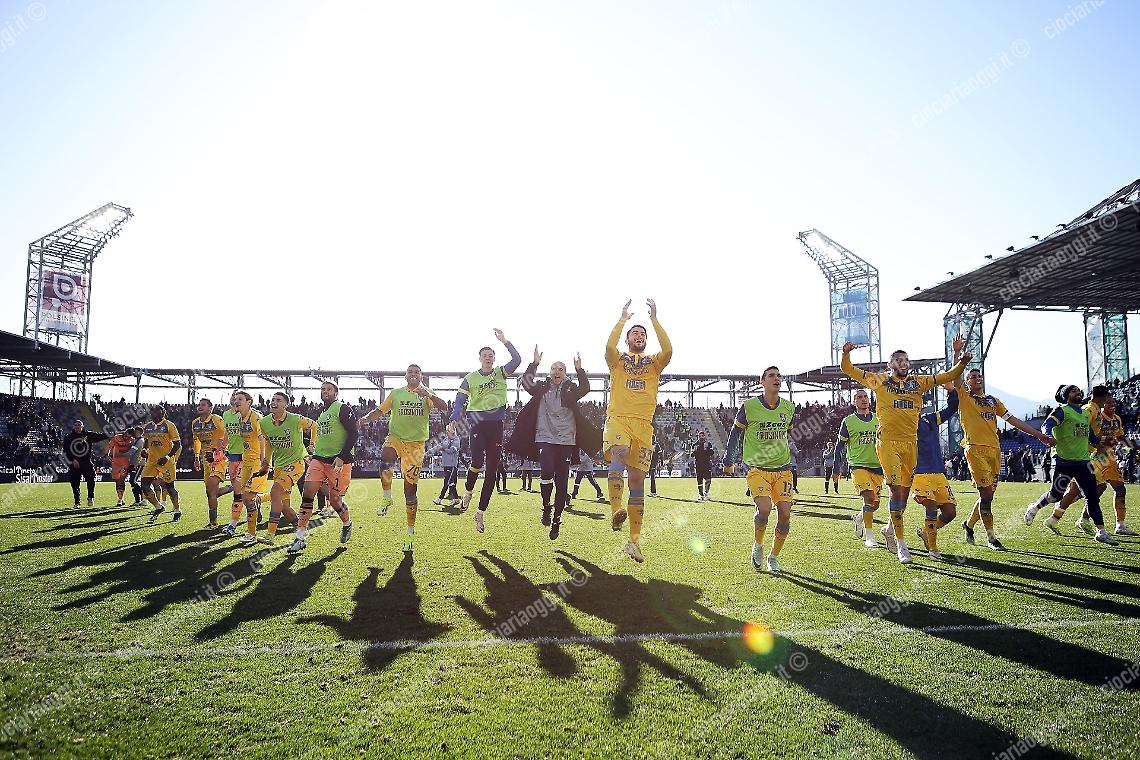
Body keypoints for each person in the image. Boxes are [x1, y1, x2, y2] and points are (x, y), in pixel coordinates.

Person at [841, 338, 970, 551]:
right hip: (888, 443)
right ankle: (901, 544)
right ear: (890, 364)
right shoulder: (880, 380)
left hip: (910, 445)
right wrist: (846, 353)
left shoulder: (919, 383)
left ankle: (889, 530)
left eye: (906, 360)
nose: (903, 362)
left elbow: (948, 376)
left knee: (902, 495)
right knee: (894, 491)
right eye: (898, 360)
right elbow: (848, 369)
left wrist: (962, 361)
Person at [603, 299, 672, 563]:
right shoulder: (617, 360)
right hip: (619, 419)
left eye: (642, 334)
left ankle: (634, 542)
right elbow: (609, 347)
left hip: (644, 425)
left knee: (637, 482)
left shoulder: (654, 362)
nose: (639, 336)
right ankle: (615, 509)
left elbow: (669, 349)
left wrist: (654, 319)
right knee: (619, 452)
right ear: (628, 339)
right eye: (635, 333)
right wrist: (622, 320)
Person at [506, 348, 600, 540]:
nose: (557, 371)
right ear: (550, 373)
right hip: (544, 437)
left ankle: (557, 520)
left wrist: (580, 370)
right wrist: (534, 364)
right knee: (547, 470)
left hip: (566, 439)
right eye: (554, 369)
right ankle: (546, 506)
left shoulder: (571, 389)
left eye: (561, 369)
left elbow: (585, 388)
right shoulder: (541, 387)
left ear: (565, 374)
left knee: (562, 481)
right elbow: (526, 382)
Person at [954, 365, 1052, 550]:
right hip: (975, 450)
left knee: (988, 496)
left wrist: (1038, 435)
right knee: (985, 496)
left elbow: (1013, 420)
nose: (977, 378)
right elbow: (955, 377)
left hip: (994, 451)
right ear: (967, 382)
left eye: (979, 375)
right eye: (973, 376)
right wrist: (958, 355)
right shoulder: (964, 397)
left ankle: (969, 525)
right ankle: (991, 539)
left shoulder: (993, 401)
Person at [362, 364, 447, 552]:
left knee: (410, 492)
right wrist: (366, 418)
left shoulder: (427, 394)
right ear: (405, 376)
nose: (413, 374)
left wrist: (429, 395)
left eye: (417, 372)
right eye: (410, 372)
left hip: (416, 446)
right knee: (386, 456)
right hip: (396, 438)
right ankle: (387, 496)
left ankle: (410, 532)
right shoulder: (396, 393)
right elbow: (379, 411)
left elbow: (445, 407)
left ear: (421, 376)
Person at [447, 329, 522, 534]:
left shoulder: (501, 373)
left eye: (490, 355)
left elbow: (517, 360)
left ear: (494, 359)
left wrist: (505, 341)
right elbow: (460, 401)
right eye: (485, 355)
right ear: (480, 358)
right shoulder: (470, 378)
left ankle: (480, 513)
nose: (488, 358)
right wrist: (453, 419)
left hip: (496, 426)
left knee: (492, 471)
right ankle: (468, 493)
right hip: (477, 424)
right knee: (477, 462)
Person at [722, 366, 795, 573]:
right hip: (757, 469)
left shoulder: (789, 408)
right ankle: (758, 544)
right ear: (762, 381)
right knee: (764, 509)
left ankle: (773, 557)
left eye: (779, 375)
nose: (776, 378)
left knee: (785, 515)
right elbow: (735, 434)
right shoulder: (749, 406)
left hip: (783, 469)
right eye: (771, 375)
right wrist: (729, 460)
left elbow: (787, 435)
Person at [1024, 384, 1117, 546]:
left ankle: (1101, 532)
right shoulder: (1062, 410)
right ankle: (1035, 507)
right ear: (1066, 395)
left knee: (1092, 497)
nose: (1078, 392)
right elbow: (1047, 425)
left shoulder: (1084, 414)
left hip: (1083, 462)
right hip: (1063, 461)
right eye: (1073, 391)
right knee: (1055, 496)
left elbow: (1091, 437)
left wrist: (1102, 443)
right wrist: (1047, 436)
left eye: (1078, 390)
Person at [289, 381, 357, 553]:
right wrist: (315, 452)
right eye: (323, 389)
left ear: (336, 393)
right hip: (319, 459)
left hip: (338, 461)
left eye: (329, 389)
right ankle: (300, 537)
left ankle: (347, 523)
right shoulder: (322, 413)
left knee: (335, 501)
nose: (325, 391)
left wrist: (342, 456)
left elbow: (354, 433)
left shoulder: (342, 408)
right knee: (307, 493)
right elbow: (325, 437)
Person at [257, 392, 315, 546]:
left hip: (296, 463)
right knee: (284, 507)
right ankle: (301, 534)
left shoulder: (295, 419)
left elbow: (315, 425)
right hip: (279, 466)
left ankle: (270, 535)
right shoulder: (264, 423)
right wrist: (266, 461)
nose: (274, 402)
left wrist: (312, 444)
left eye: (278, 400)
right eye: (272, 399)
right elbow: (269, 443)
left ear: (286, 405)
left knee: (275, 491)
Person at [911, 383, 959, 562]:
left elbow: (951, 408)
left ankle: (926, 531)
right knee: (930, 506)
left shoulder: (930, 419)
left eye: (918, 400)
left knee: (950, 513)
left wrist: (951, 390)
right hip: (918, 474)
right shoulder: (902, 424)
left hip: (938, 473)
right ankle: (933, 549)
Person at [835, 389, 886, 550]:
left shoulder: (879, 419)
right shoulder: (848, 421)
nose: (863, 399)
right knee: (869, 498)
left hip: (877, 467)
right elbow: (839, 447)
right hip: (858, 466)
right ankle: (869, 537)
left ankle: (858, 517)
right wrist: (836, 469)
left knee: (875, 504)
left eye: (865, 397)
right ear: (854, 402)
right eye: (859, 397)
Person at [220, 391, 270, 545]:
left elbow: (263, 439)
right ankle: (270, 497)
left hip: (256, 463)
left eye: (240, 399)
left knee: (247, 498)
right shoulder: (240, 418)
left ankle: (251, 533)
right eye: (235, 399)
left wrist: (263, 460)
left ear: (249, 402)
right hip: (246, 461)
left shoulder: (256, 417)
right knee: (246, 497)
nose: (236, 401)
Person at [190, 398, 231, 528]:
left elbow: (226, 434)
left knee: (211, 489)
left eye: (203, 405)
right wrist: (196, 457)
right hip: (205, 459)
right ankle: (233, 487)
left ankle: (213, 522)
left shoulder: (217, 420)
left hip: (218, 458)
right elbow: (196, 441)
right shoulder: (195, 423)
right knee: (210, 492)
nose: (200, 407)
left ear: (210, 408)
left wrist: (219, 451)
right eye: (199, 405)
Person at [141, 406, 182, 523]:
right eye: (153, 412)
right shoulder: (147, 426)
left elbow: (177, 444)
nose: (155, 414)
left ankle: (177, 510)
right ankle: (158, 507)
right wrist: (144, 450)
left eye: (158, 412)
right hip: (152, 461)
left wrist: (167, 457)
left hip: (166, 461)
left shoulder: (169, 425)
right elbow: (146, 440)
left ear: (163, 413)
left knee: (170, 487)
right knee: (144, 486)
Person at [63, 419, 108, 509]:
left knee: (91, 479)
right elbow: (65, 451)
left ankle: (90, 497)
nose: (77, 426)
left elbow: (101, 436)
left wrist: (113, 433)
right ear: (73, 427)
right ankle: (77, 502)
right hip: (74, 463)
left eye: (79, 425)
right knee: (75, 483)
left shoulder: (88, 435)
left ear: (82, 426)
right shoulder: (69, 437)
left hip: (86, 461)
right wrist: (72, 460)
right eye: (76, 425)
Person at [105, 427, 136, 507]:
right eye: (126, 434)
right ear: (125, 432)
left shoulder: (132, 440)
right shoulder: (116, 437)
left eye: (129, 436)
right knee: (117, 480)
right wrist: (107, 455)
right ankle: (120, 498)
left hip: (125, 463)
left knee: (121, 480)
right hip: (115, 463)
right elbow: (109, 446)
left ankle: (120, 499)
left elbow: (135, 451)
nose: (127, 437)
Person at [432, 432, 462, 507]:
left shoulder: (456, 440)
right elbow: (437, 447)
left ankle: (440, 498)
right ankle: (456, 498)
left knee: (447, 481)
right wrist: (426, 454)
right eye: (447, 430)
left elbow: (452, 450)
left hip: (452, 464)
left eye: (449, 430)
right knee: (450, 483)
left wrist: (444, 449)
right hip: (446, 464)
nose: (447, 432)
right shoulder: (446, 440)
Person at [692, 430, 715, 501]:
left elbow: (712, 453)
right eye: (700, 436)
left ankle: (706, 492)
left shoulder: (708, 444)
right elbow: (691, 455)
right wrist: (694, 451)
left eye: (702, 436)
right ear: (698, 436)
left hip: (707, 464)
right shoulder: (695, 445)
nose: (701, 437)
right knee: (699, 480)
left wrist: (707, 449)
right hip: (698, 465)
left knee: (708, 479)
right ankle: (701, 494)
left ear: (705, 436)